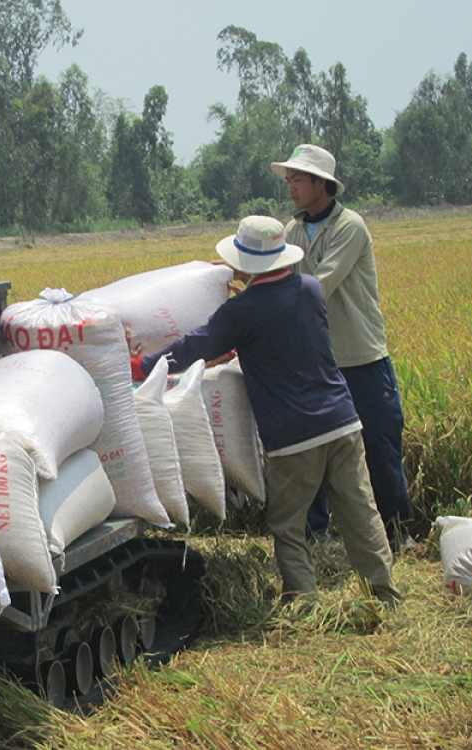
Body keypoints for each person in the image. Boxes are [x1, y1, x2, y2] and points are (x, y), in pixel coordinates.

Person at [130, 216, 399, 605]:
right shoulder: (309, 289)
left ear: (247, 264)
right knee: (360, 512)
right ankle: (385, 593)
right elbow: (281, 330)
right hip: (343, 423)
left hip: (295, 437)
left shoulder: (242, 311)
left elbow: (196, 346)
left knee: (288, 524)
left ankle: (304, 603)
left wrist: (142, 365)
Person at [272, 144, 413, 549]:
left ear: (322, 184)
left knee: (379, 446)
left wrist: (260, 299)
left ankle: (397, 530)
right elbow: (277, 275)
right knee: (312, 446)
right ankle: (317, 535)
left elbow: (319, 285)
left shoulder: (350, 226)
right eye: (290, 180)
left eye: (298, 180)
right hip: (317, 360)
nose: (292, 187)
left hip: (361, 358)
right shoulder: (294, 230)